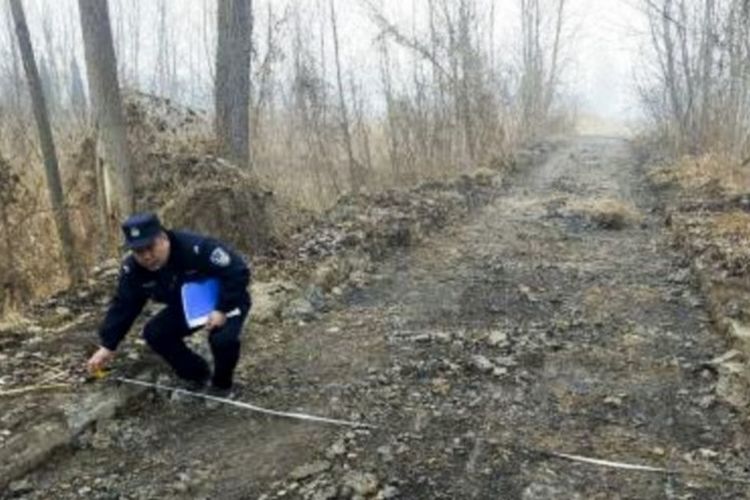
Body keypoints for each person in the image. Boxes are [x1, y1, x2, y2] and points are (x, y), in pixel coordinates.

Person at [87, 213, 251, 397]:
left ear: (163, 238)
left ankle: (222, 385)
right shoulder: (133, 270)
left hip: (226, 298)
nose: (147, 256)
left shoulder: (196, 247)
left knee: (222, 340)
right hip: (189, 308)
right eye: (139, 251)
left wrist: (221, 308)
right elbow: (124, 305)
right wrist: (108, 345)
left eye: (151, 248)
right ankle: (197, 375)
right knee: (156, 333)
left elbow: (237, 271)